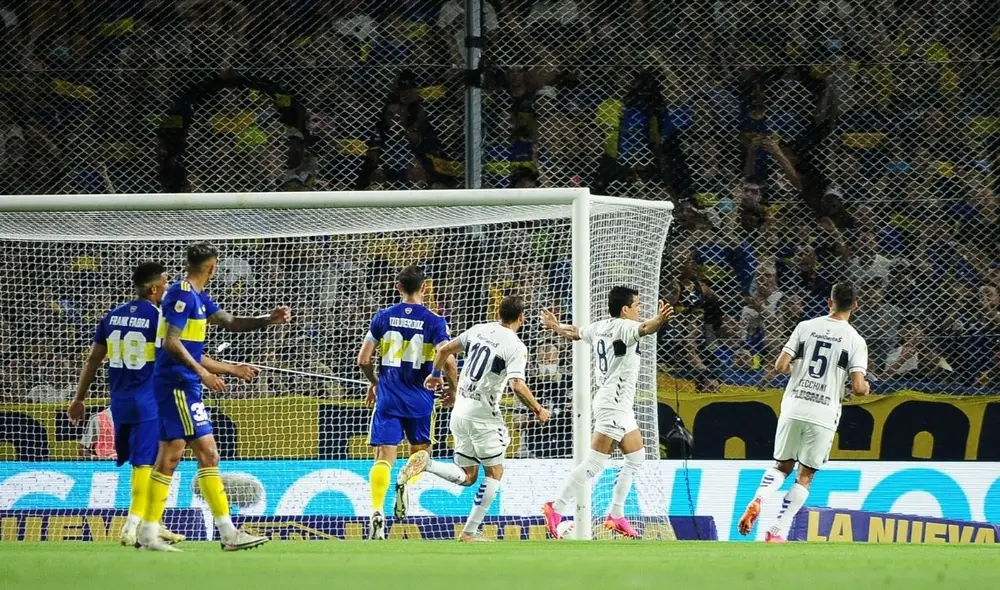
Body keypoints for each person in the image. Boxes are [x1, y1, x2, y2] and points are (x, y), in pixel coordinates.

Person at [68, 261, 254, 547]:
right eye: (165, 283)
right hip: (150, 396)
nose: (168, 287)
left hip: (118, 400)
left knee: (157, 458)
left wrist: (79, 398)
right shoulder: (158, 316)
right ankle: (135, 527)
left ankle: (153, 523)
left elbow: (94, 358)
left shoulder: (113, 316)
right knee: (151, 460)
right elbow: (180, 351)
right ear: (155, 288)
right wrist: (228, 369)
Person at [137, 243, 291, 552]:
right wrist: (203, 373)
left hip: (179, 384)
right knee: (207, 454)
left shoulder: (197, 297)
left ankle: (148, 531)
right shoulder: (181, 295)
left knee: (169, 457)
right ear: (213, 267)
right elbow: (171, 343)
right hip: (178, 384)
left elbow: (231, 323)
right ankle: (228, 533)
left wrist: (267, 320)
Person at [399, 295, 550, 542]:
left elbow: (444, 349)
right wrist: (538, 409)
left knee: (468, 476)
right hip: (483, 417)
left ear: (497, 312)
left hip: (459, 412)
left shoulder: (479, 330)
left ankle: (427, 464)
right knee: (495, 472)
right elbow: (517, 384)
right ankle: (469, 532)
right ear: (521, 318)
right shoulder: (516, 346)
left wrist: (436, 375)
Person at [738, 283, 869, 542]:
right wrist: (864, 388)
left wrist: (801, 370)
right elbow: (857, 385)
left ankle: (759, 498)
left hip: (794, 405)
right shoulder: (855, 339)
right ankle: (776, 531)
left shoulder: (805, 327)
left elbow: (780, 365)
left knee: (782, 466)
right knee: (805, 474)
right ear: (855, 305)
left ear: (829, 302)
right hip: (823, 412)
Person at [540, 286, 673, 539]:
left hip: (618, 404)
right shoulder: (624, 327)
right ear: (625, 309)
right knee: (595, 462)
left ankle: (616, 515)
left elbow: (576, 332)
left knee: (636, 458)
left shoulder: (599, 326)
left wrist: (556, 327)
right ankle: (555, 508)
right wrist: (660, 319)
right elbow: (646, 328)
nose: (639, 310)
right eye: (637, 305)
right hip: (613, 403)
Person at [356, 265, 456, 540]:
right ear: (425, 287)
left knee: (383, 458)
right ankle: (406, 485)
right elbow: (448, 357)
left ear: (398, 288)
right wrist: (453, 389)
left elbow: (363, 360)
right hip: (421, 400)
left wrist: (375, 382)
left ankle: (376, 510)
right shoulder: (435, 321)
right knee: (419, 456)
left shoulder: (383, 317)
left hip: (388, 398)